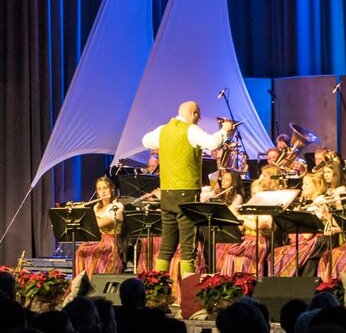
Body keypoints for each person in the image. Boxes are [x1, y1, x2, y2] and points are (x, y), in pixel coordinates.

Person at [141, 101, 233, 276]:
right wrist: (225, 130)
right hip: (186, 194)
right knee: (187, 246)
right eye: (198, 116)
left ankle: (156, 292)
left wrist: (164, 145)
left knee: (167, 244)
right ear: (194, 114)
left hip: (167, 193)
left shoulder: (163, 130)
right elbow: (213, 143)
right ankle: (189, 296)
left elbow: (145, 140)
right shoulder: (190, 129)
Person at [74, 177, 125, 278]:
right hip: (96, 239)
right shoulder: (96, 207)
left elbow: (99, 224)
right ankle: (82, 284)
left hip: (111, 242)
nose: (103, 192)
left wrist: (82, 213)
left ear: (112, 189)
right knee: (80, 250)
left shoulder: (117, 206)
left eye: (105, 188)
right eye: (99, 189)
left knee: (94, 251)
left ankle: (94, 284)